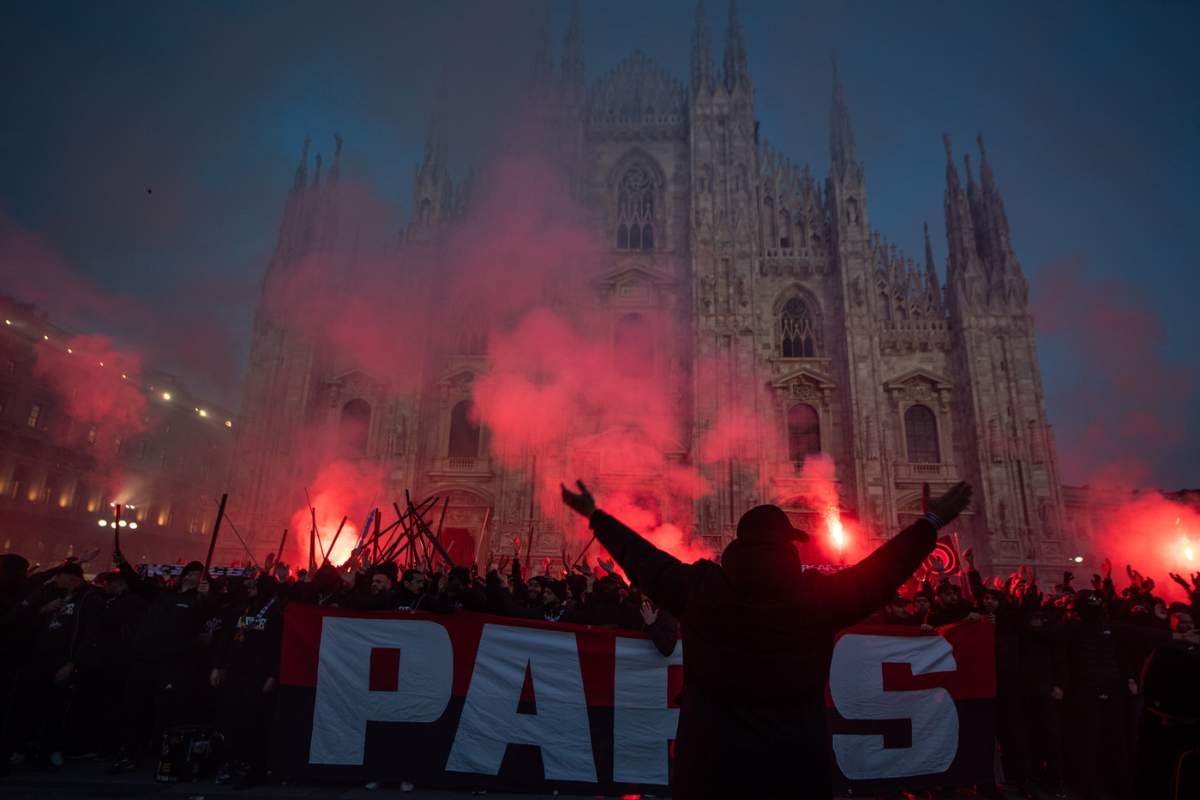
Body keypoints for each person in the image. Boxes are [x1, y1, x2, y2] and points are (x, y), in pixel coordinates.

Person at [561, 479, 972, 799]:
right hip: (793, 767)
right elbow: (881, 573)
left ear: (739, 546)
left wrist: (596, 516)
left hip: (709, 768)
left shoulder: (702, 590)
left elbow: (644, 560)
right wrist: (929, 524)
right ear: (789, 547)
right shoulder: (816, 598)